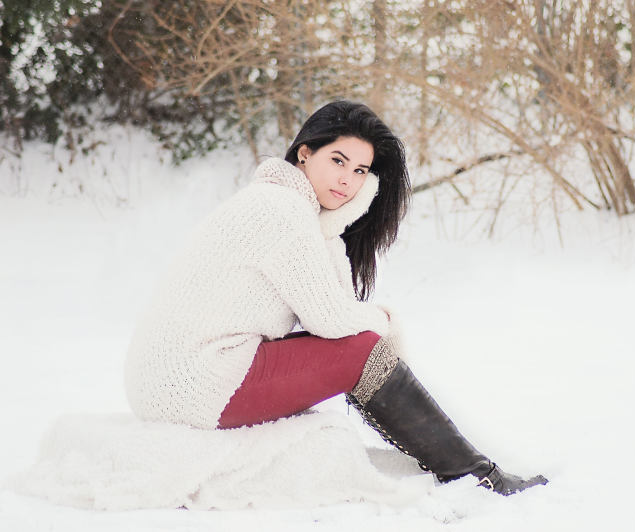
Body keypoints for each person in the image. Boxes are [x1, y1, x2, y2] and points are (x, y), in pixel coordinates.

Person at [124, 101, 547, 495]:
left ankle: (471, 471)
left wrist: (334, 222)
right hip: (195, 383)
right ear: (305, 153)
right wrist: (385, 322)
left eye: (362, 172)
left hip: (176, 381)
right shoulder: (282, 211)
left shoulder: (285, 205)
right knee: (360, 349)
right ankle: (476, 476)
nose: (347, 180)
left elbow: (334, 306)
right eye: (338, 161)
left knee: (356, 345)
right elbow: (330, 320)